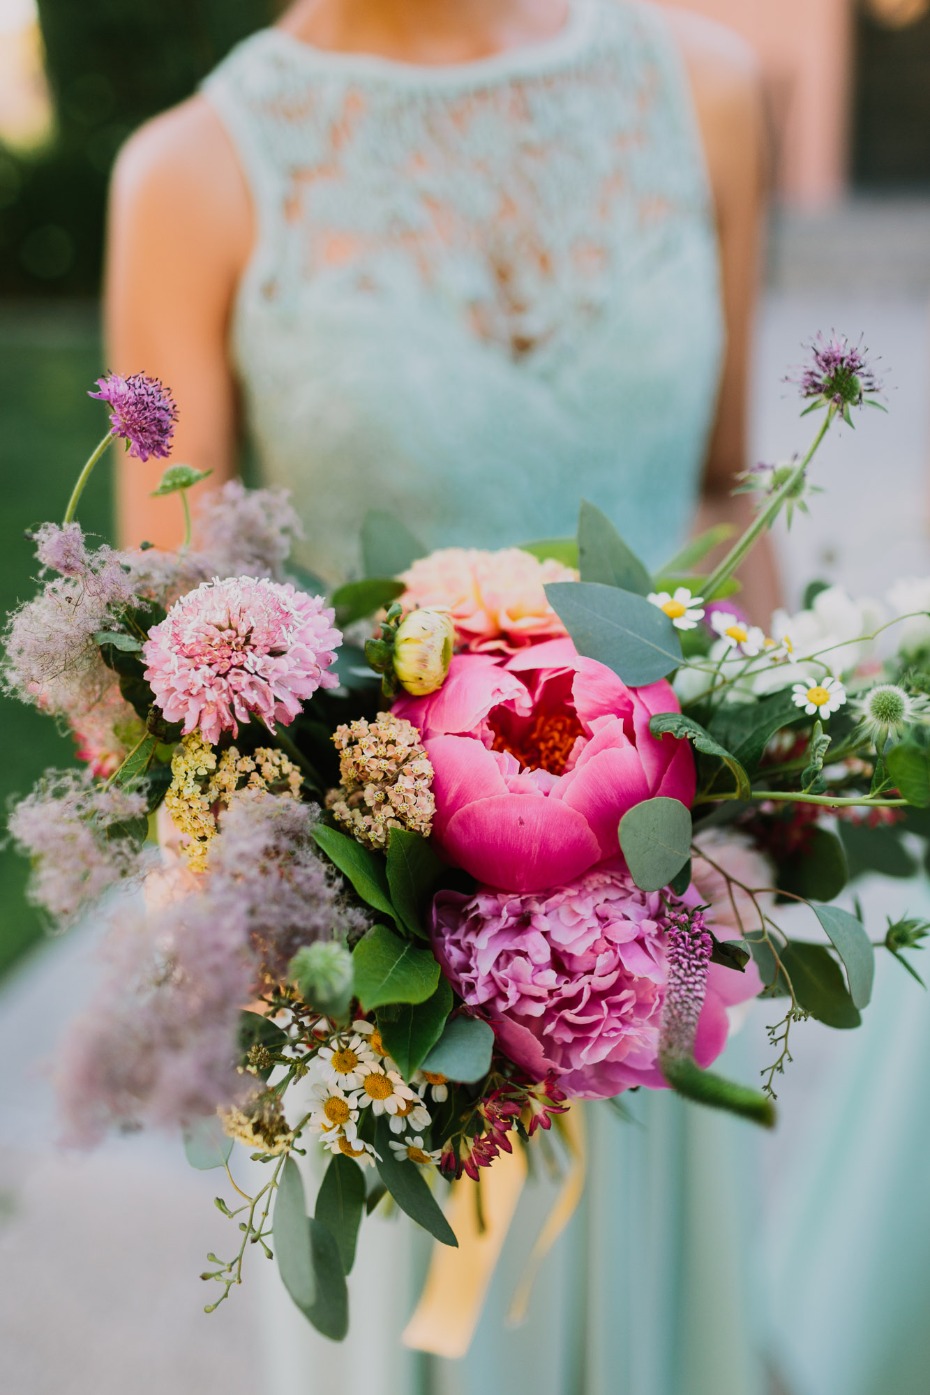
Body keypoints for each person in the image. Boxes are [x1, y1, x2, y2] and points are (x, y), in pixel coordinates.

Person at [107, 2, 776, 1391]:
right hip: (390, 988)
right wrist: (346, 932)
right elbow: (169, 655)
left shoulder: (707, 90)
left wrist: (742, 791)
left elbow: (728, 491)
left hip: (662, 936)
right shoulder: (195, 171)